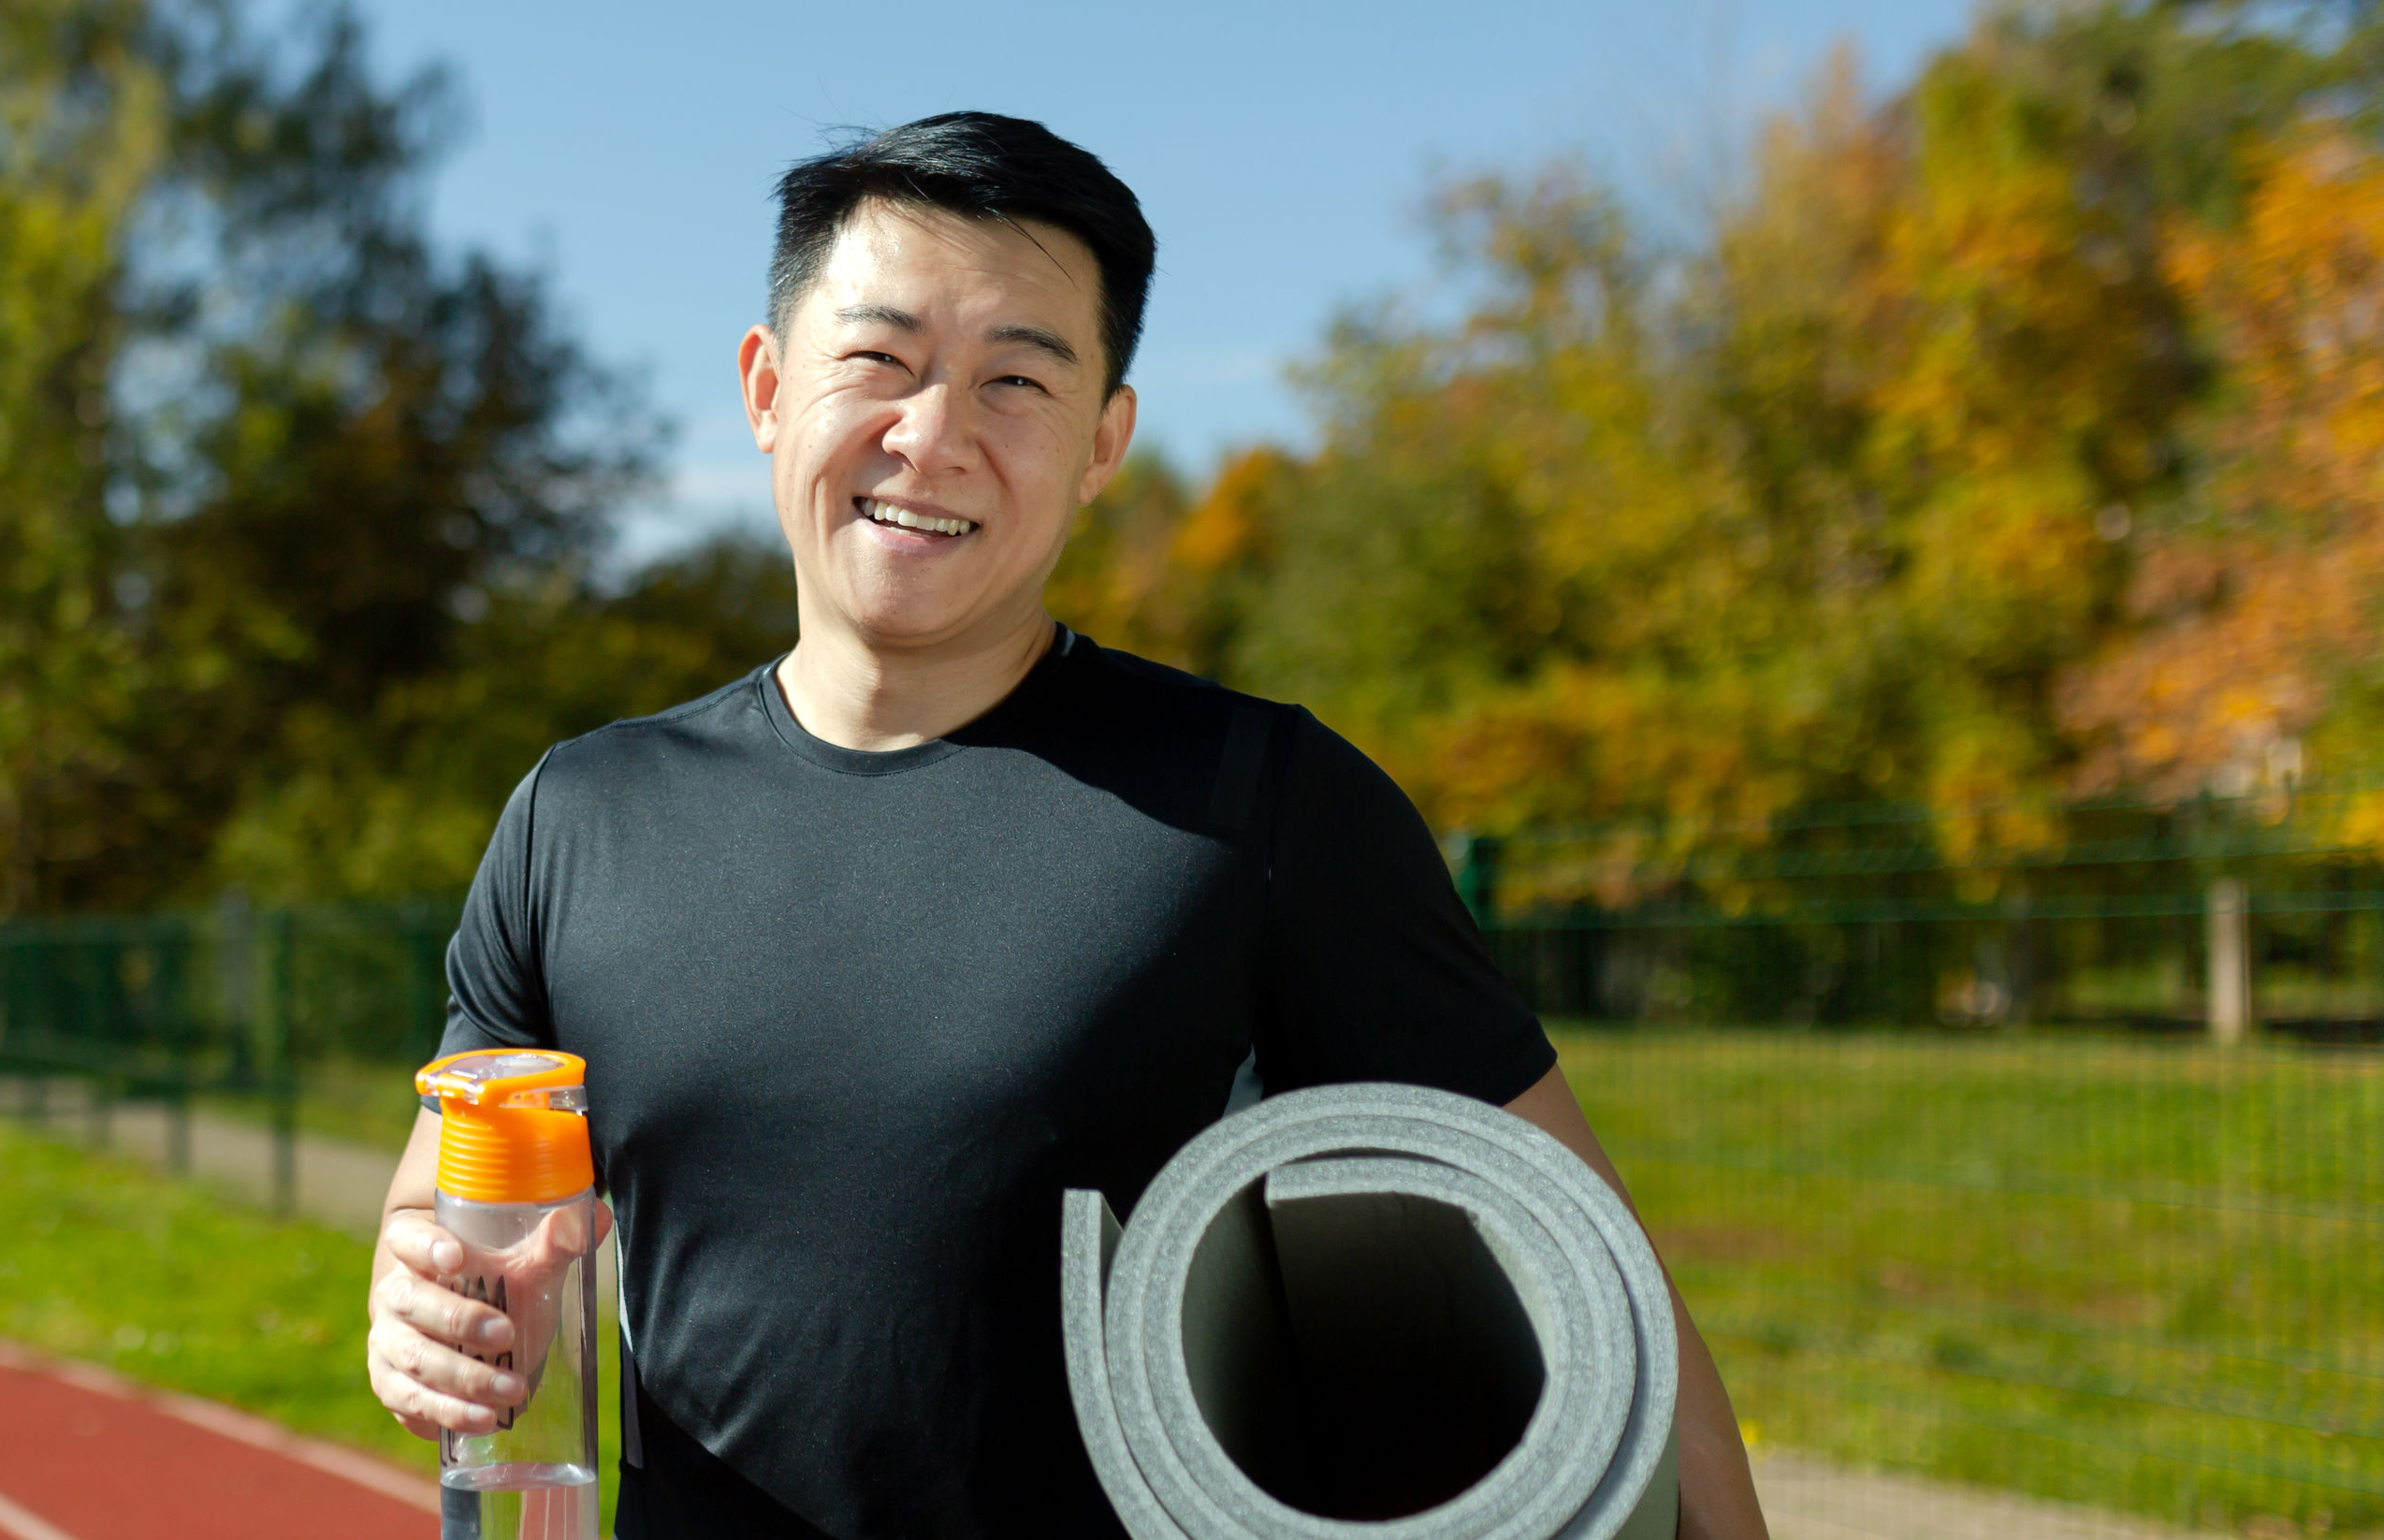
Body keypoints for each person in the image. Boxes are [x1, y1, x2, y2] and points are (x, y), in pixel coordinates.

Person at [365, 111, 1768, 1540]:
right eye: (881, 358)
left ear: (1105, 443)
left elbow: (1604, 1294)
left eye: (1016, 380)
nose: (935, 436)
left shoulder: (1263, 806)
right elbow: (452, 1200)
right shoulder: (580, 816)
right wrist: (416, 1304)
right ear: (767, 386)